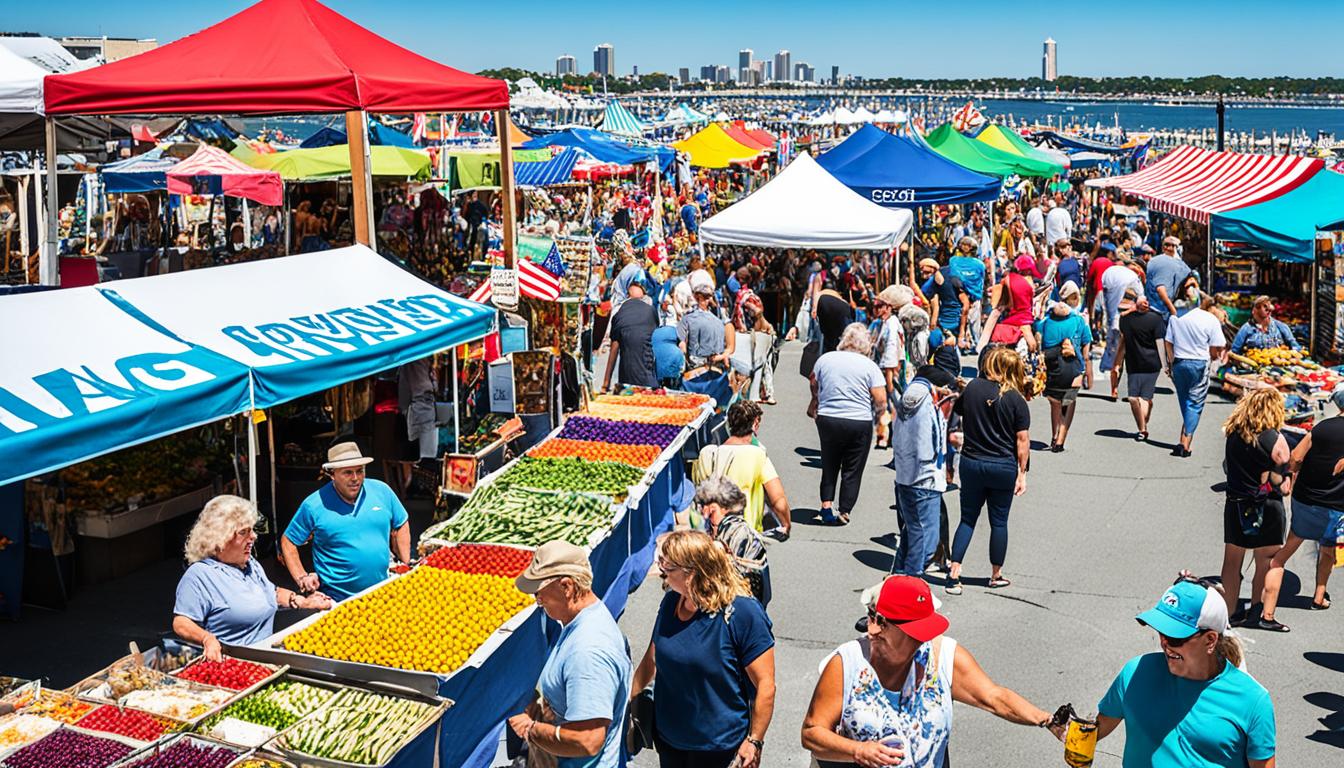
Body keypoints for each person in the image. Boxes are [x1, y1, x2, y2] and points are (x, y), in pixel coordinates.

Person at [801, 576, 1062, 768]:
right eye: (916, 631)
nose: (924, 639)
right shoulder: (848, 663)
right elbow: (812, 733)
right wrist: (858, 750)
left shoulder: (942, 655)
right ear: (882, 626)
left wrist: (1047, 720)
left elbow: (994, 697)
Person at [1095, 578, 1275, 768]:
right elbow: (1097, 728)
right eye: (1161, 632)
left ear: (1210, 640)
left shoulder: (1252, 700)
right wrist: (1069, 730)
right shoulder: (1136, 672)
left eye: (1174, 637)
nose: (1164, 643)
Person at [631, 531, 775, 768]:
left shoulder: (742, 614)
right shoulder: (671, 602)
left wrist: (755, 740)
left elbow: (766, 685)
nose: (660, 571)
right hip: (670, 740)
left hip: (718, 747)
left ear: (692, 572)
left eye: (667, 567)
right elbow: (651, 659)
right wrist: (630, 702)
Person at [508, 542, 630, 768]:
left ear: (567, 586)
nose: (538, 601)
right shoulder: (582, 620)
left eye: (539, 593)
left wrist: (531, 728)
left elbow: (588, 741)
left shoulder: (588, 652)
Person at [174, 495, 331, 659]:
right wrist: (207, 639)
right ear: (219, 539)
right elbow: (181, 623)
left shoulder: (249, 564)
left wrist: (302, 601)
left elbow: (271, 593)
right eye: (243, 532)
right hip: (232, 667)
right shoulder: (200, 575)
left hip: (265, 660)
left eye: (252, 530)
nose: (253, 537)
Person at [1256, 383, 1344, 626]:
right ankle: (1318, 596)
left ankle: (1267, 612)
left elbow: (1295, 457)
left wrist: (1292, 476)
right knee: (1328, 548)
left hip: (1306, 498)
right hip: (1337, 505)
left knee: (1284, 554)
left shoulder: (1321, 427)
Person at [280, 442, 411, 601]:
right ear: (332, 474)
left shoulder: (382, 490)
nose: (355, 478)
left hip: (383, 593)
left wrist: (406, 564)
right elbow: (288, 541)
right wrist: (302, 577)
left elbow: (401, 522)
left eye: (359, 471)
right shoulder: (314, 505)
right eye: (348, 473)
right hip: (336, 601)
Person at [947, 347, 1030, 595]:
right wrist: (1022, 473)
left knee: (967, 518)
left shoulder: (972, 387)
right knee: (999, 521)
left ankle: (954, 572)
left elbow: (958, 412)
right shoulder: (1016, 398)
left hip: (972, 461)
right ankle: (996, 574)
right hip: (1002, 465)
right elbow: (1022, 440)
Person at [1217, 388, 1291, 629]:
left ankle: (1229, 611)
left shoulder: (1234, 432)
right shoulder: (1274, 439)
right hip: (1266, 507)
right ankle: (1258, 613)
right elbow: (1283, 484)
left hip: (1236, 503)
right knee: (1266, 560)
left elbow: (1228, 467)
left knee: (1232, 561)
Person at [810, 324, 888, 526]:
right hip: (859, 420)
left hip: (828, 417)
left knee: (829, 462)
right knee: (853, 467)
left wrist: (816, 400)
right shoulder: (870, 366)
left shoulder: (825, 359)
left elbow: (813, 381)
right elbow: (880, 399)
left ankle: (826, 505)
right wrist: (880, 418)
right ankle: (844, 510)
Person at [892, 366, 957, 577]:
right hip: (926, 479)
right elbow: (929, 446)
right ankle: (909, 585)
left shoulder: (908, 397)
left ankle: (896, 580)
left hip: (904, 476)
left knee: (911, 534)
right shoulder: (927, 403)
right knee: (926, 541)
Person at [693, 401, 792, 538]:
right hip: (745, 533)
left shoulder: (706, 454)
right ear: (755, 423)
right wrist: (786, 524)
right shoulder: (757, 455)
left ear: (729, 424)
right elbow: (777, 499)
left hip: (711, 533)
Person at [690, 477, 771, 605]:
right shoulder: (715, 527)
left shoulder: (738, 531)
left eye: (712, 510)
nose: (705, 514)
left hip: (743, 601)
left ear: (726, 508)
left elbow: (734, 575)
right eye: (703, 507)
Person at [1164, 297, 1226, 457]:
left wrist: (1170, 363)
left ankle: (1182, 440)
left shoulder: (1175, 317)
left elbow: (1168, 342)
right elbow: (1217, 346)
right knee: (1195, 403)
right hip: (1199, 363)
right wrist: (1213, 358)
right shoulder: (1210, 319)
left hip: (1180, 362)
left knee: (1185, 400)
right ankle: (1186, 444)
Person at [1036, 282, 1092, 452]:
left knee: (1054, 404)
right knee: (1068, 403)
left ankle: (1054, 436)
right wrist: (1087, 370)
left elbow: (1038, 344)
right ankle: (1060, 440)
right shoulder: (1079, 321)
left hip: (1052, 369)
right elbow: (1086, 348)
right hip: (1073, 369)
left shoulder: (1045, 322)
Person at [1115, 295, 1167, 440]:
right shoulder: (1156, 319)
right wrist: (1165, 364)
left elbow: (1123, 340)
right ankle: (1143, 426)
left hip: (1142, 363)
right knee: (1135, 398)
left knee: (1139, 398)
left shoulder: (1126, 320)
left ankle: (1142, 429)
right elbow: (1160, 342)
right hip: (1144, 362)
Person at [872, 286, 913, 449]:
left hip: (891, 371)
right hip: (887, 370)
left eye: (879, 306)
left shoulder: (891, 325)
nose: (875, 309)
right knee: (890, 405)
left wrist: (888, 379)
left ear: (888, 307)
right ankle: (888, 436)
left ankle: (892, 437)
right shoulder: (885, 323)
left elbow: (891, 352)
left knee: (892, 404)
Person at [604, 281, 659, 390]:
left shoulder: (619, 314)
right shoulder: (651, 311)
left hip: (627, 376)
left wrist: (606, 383)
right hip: (649, 374)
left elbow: (613, 351)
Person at [985, 255, 1038, 350]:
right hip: (1025, 316)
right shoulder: (1029, 281)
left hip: (1013, 316)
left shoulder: (1008, 279)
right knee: (1032, 346)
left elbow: (998, 298)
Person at [678, 283, 734, 370]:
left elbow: (682, 346)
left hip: (701, 366)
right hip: (711, 366)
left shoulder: (688, 318)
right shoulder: (723, 320)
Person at [918, 258, 970, 350]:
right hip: (947, 322)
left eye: (927, 272)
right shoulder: (936, 282)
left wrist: (962, 333)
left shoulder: (948, 278)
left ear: (933, 270)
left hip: (950, 322)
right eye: (922, 272)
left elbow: (965, 307)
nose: (924, 276)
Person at [947, 237, 988, 349]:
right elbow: (983, 281)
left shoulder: (953, 260)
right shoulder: (979, 264)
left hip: (960, 297)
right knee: (974, 326)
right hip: (967, 297)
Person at [1229, 296, 1301, 355]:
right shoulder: (1246, 329)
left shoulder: (1281, 326)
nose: (1266, 309)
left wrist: (1289, 354)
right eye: (1259, 307)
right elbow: (1234, 351)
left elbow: (1296, 347)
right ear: (1254, 311)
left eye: (1267, 306)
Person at [1145, 236, 1192, 319]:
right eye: (1168, 245)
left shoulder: (1153, 260)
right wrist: (1172, 310)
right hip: (1160, 311)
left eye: (1173, 245)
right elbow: (1161, 289)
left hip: (1149, 306)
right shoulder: (1168, 264)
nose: (1170, 248)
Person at [814, 277, 855, 354]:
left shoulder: (820, 294)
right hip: (844, 313)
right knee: (842, 337)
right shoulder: (836, 295)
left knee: (830, 338)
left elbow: (814, 311)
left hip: (832, 315)